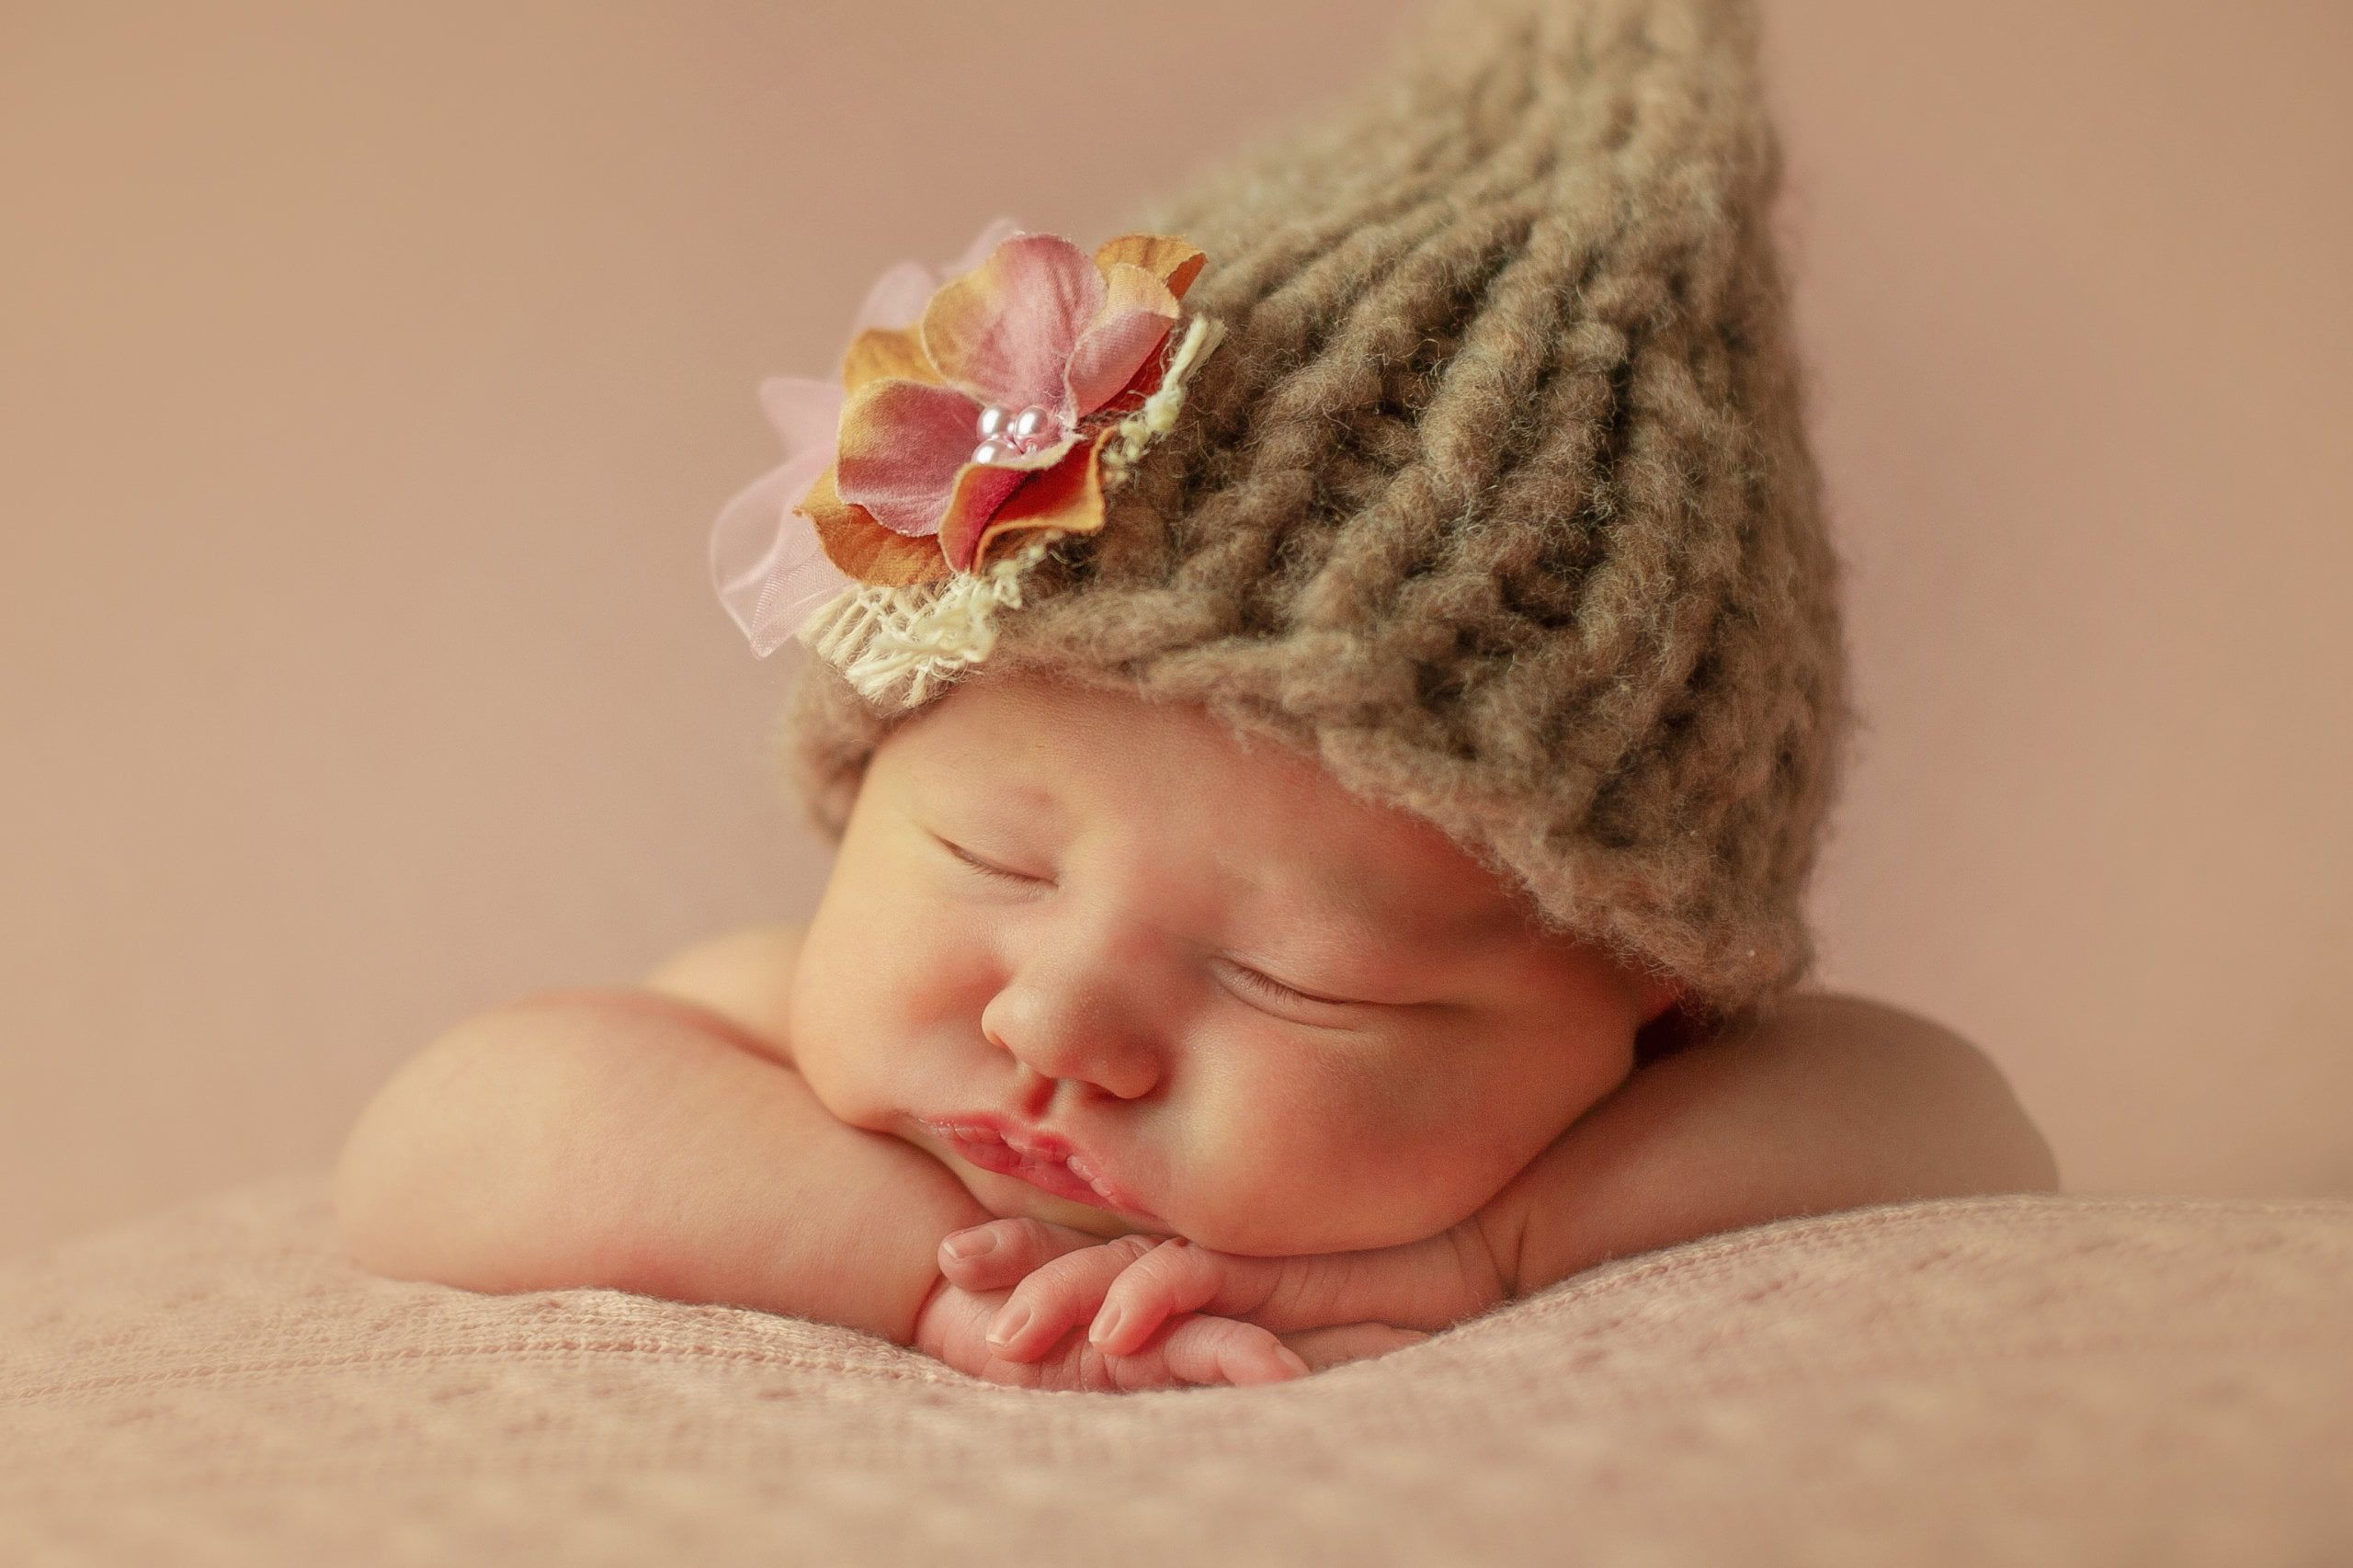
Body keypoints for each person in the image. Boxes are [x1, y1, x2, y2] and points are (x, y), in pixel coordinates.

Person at [334, 0, 2057, 1392]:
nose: (1059, 1021)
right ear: (870, 778)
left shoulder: (1615, 1131)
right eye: (992, 859)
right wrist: (919, 1273)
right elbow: (436, 1142)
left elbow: (1960, 1125)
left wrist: (1491, 1249)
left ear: (1653, 1009)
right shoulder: (780, 1047)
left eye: (1296, 978)